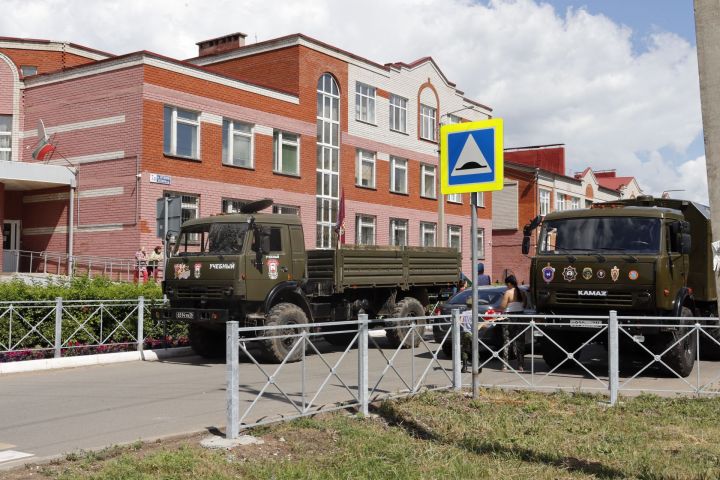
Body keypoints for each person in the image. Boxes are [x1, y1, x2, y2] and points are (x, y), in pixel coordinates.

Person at [498, 275, 526, 371]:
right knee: (520, 341)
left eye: (506, 284)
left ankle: (505, 365)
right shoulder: (522, 292)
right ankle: (520, 365)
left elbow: (502, 306)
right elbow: (525, 304)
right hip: (520, 317)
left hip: (509, 317)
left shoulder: (508, 293)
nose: (506, 286)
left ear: (509, 283)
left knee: (506, 341)